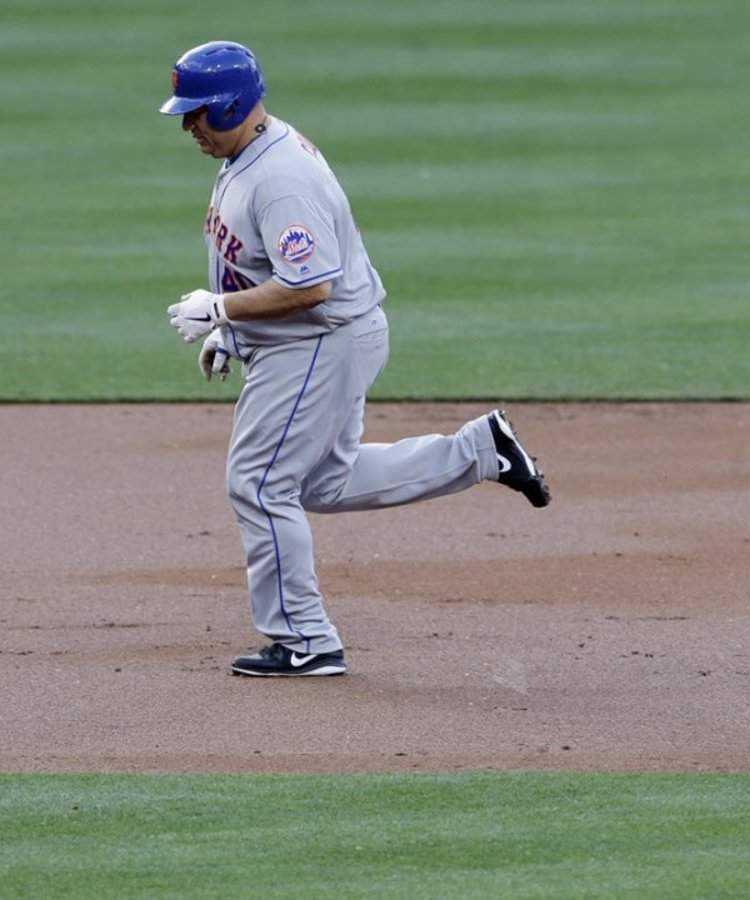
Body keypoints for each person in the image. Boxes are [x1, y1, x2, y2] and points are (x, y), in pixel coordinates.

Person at [159, 41, 551, 678]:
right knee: (321, 482)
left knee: (259, 484)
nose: (188, 126)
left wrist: (223, 312)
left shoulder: (280, 178)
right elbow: (260, 263)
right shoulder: (248, 154)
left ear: (230, 106)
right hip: (312, 341)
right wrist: (229, 331)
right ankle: (482, 451)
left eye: (197, 113)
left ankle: (306, 640)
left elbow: (311, 285)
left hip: (319, 343)